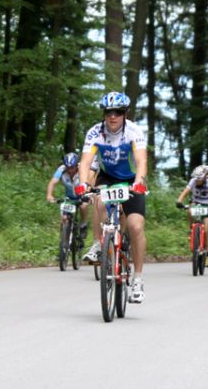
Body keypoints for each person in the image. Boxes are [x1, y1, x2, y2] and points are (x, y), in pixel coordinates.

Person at [74, 92, 149, 303]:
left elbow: (141, 160)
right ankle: (100, 243)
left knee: (135, 227)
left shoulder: (134, 131)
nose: (113, 117)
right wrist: (82, 185)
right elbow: (86, 162)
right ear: (104, 114)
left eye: (118, 112)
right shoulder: (95, 132)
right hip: (107, 177)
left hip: (131, 180)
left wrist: (139, 183)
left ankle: (138, 279)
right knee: (98, 199)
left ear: (126, 114)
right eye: (108, 112)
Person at [175, 164, 208, 267]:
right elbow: (185, 192)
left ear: (205, 177)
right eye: (196, 179)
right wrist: (179, 201)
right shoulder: (192, 181)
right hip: (196, 203)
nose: (197, 181)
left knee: (206, 230)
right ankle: (191, 230)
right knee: (189, 210)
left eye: (199, 180)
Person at [45, 152, 98, 245]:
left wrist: (89, 195)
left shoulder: (82, 169)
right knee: (64, 218)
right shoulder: (61, 169)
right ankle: (63, 244)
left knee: (83, 206)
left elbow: (90, 181)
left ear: (76, 166)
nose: (70, 170)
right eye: (68, 167)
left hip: (82, 195)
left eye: (72, 167)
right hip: (70, 197)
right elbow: (52, 182)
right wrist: (49, 195)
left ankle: (83, 224)